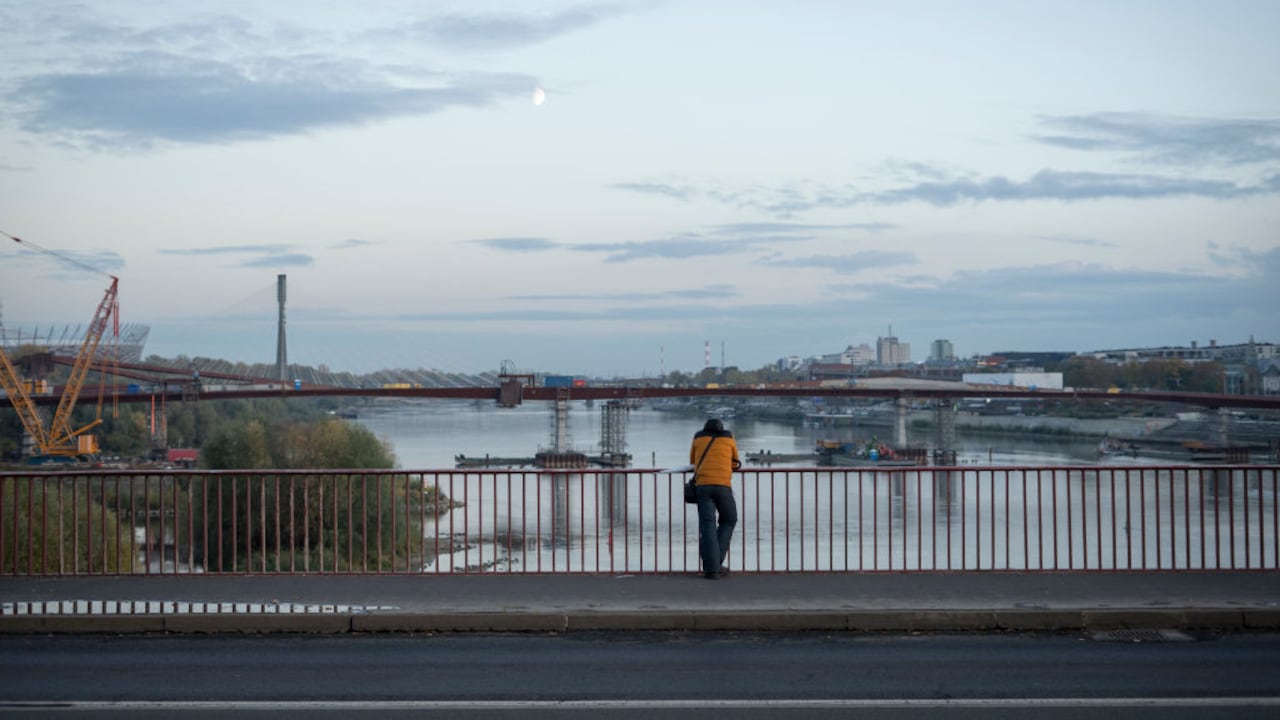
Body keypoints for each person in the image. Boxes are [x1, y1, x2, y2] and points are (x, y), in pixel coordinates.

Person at [689, 417, 740, 579]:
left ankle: (712, 568)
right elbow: (735, 462)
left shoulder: (698, 437)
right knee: (729, 519)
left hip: (703, 486)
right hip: (723, 486)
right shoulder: (729, 438)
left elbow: (692, 461)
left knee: (707, 526)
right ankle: (715, 565)